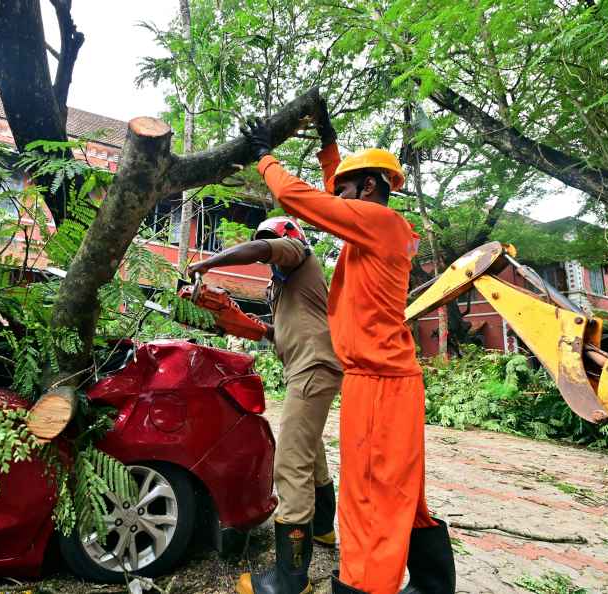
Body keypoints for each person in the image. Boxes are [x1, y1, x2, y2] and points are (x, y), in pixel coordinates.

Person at [239, 112, 456, 594]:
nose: (340, 194)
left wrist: (264, 158)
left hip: (379, 382)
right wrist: (328, 148)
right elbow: (335, 202)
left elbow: (305, 201)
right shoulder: (375, 228)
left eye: (348, 186)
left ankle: (364, 587)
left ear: (372, 187)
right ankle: (430, 585)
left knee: (369, 499)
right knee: (401, 493)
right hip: (385, 380)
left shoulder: (378, 223)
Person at [187, 215, 343, 594]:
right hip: (306, 367)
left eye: (268, 242)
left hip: (313, 365)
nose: (266, 250)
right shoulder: (283, 287)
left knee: (289, 462)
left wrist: (208, 263)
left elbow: (260, 249)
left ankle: (291, 580)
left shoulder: (298, 253)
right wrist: (229, 317)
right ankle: (322, 528)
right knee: (309, 450)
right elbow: (272, 333)